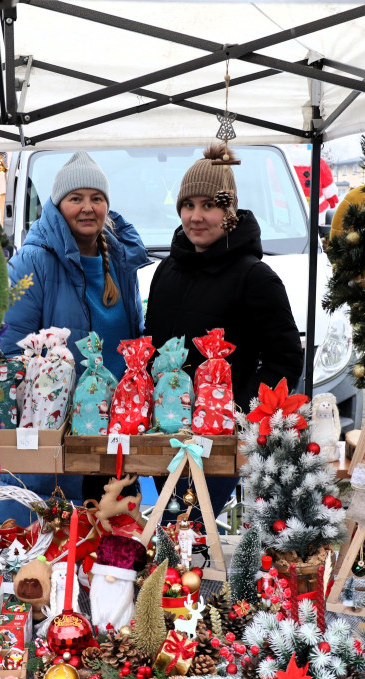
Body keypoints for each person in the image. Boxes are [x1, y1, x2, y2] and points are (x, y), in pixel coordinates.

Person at [0, 151, 149, 524]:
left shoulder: (121, 261)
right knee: (45, 544)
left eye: (97, 198)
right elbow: (8, 350)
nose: (88, 207)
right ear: (58, 205)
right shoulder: (32, 262)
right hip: (54, 428)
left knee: (112, 547)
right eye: (76, 198)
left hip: (114, 427)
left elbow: (132, 338)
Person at [145, 143, 303, 522]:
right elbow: (152, 344)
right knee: (168, 528)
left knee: (187, 527)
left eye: (209, 206)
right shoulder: (166, 271)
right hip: (163, 429)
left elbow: (284, 358)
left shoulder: (254, 276)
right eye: (188, 205)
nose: (196, 217)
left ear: (229, 212)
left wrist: (237, 413)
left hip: (217, 438)